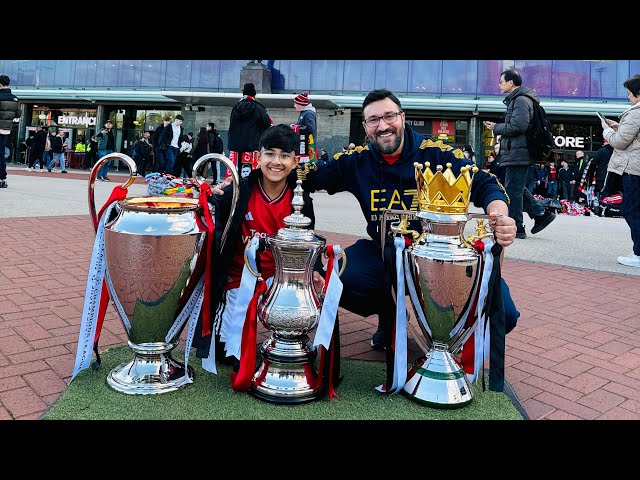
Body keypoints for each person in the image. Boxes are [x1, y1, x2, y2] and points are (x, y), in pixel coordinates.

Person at [294, 88, 518, 349]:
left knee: (504, 314)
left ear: (403, 117)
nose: (383, 126)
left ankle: (445, 337)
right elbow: (305, 177)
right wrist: (273, 161)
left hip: (442, 260)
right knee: (339, 276)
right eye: (374, 120)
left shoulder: (436, 154)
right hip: (385, 254)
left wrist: (499, 215)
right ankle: (390, 318)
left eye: (389, 116)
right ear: (365, 127)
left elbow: (484, 183)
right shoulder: (356, 161)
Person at [196, 124, 325, 367]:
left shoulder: (300, 200)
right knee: (226, 353)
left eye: (285, 156)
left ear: (295, 161)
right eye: (270, 153)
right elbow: (214, 221)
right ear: (257, 157)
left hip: (280, 281)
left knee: (291, 342)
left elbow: (310, 240)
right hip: (239, 279)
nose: (277, 162)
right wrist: (210, 195)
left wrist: (316, 269)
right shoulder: (238, 192)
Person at [483, 69, 556, 240]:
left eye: (501, 81)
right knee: (516, 187)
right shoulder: (518, 99)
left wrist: (496, 128)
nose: (499, 85)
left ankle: (518, 226)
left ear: (511, 83)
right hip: (517, 152)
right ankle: (540, 214)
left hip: (519, 152)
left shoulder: (521, 100)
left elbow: (518, 126)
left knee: (512, 190)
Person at [600, 74, 640, 268]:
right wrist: (619, 126)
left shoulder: (636, 112)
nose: (628, 97)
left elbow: (620, 142)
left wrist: (607, 131)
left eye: (629, 93)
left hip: (634, 170)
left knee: (631, 210)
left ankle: (639, 253)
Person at [227, 82, 271, 178]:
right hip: (252, 145)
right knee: (250, 172)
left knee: (236, 172)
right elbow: (267, 124)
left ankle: (237, 189)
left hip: (236, 146)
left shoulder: (236, 107)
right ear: (254, 94)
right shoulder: (259, 108)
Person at [0, 74, 21, 188]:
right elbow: (18, 114)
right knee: (1, 154)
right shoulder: (15, 98)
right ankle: (3, 178)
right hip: (6, 129)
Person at [292, 91, 317, 163]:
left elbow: (310, 128)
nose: (294, 106)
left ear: (301, 104)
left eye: (295, 104)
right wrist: (295, 126)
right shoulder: (304, 113)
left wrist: (297, 127)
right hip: (303, 145)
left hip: (307, 146)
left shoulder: (308, 113)